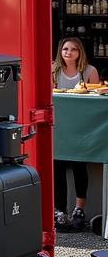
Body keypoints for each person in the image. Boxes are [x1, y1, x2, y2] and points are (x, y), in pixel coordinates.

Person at [52, 36, 99, 233]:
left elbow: (96, 98)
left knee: (80, 165)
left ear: (80, 52)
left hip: (81, 127)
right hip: (59, 126)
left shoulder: (89, 71)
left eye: (73, 49)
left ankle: (79, 210)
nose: (68, 53)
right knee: (58, 166)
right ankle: (59, 211)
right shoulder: (52, 69)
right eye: (65, 49)